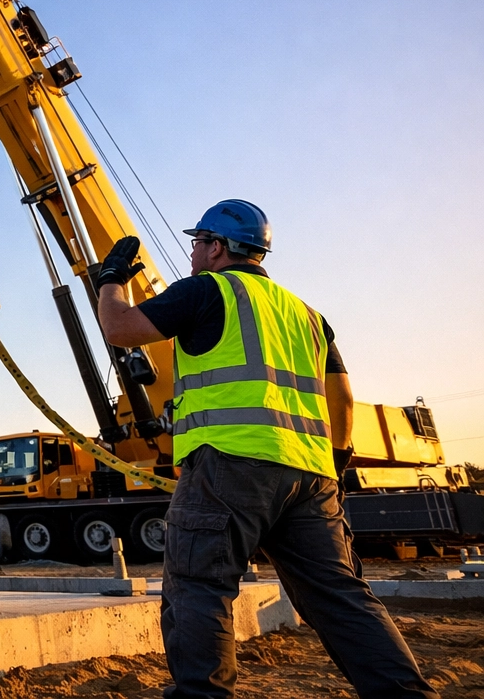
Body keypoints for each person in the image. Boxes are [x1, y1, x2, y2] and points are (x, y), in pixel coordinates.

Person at [95, 199, 434, 699]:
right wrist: (334, 460)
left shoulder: (208, 289)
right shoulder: (308, 314)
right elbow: (340, 393)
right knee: (341, 598)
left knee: (198, 588)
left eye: (197, 243)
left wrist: (111, 278)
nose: (190, 252)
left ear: (217, 247)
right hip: (312, 475)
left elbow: (120, 328)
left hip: (228, 465)